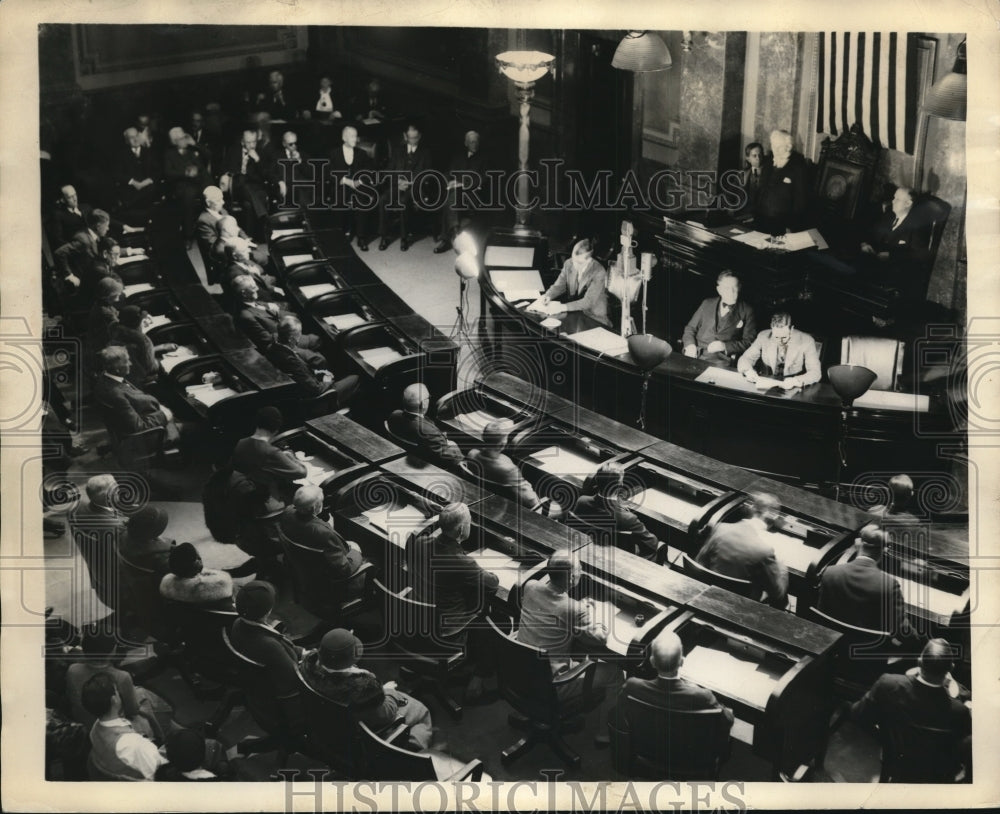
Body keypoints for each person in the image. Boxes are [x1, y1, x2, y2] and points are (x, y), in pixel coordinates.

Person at [405, 502, 498, 701]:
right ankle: (479, 679)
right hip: (446, 632)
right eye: (470, 523)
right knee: (490, 620)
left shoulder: (420, 543)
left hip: (416, 621)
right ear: (462, 529)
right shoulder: (462, 561)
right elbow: (492, 584)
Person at [851, 638, 971, 781]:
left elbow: (858, 713)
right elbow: (962, 749)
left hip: (896, 759)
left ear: (919, 662)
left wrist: (883, 733)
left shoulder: (887, 684)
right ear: (950, 668)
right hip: (935, 773)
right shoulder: (959, 711)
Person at [301, 628, 434, 749]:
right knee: (421, 710)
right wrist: (389, 691)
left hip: (332, 724)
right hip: (367, 725)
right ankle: (413, 750)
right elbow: (386, 715)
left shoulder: (309, 668)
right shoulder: (364, 691)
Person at [516, 551, 620, 700]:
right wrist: (598, 616)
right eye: (579, 569)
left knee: (578, 652)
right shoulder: (575, 609)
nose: (582, 571)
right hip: (553, 684)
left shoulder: (530, 586)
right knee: (614, 673)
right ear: (571, 577)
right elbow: (600, 639)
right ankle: (612, 721)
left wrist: (577, 608)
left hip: (523, 672)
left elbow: (553, 603)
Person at [608, 629, 734, 739]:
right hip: (688, 753)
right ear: (682, 662)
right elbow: (728, 721)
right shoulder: (703, 696)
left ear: (652, 662)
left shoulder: (632, 686)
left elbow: (621, 714)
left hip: (649, 746)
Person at [65, 627, 167, 740]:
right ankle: (161, 737)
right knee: (144, 697)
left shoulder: (72, 670)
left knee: (141, 694)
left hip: (85, 724)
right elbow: (132, 710)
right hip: (109, 728)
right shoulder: (121, 677)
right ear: (112, 651)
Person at [229, 580, 305, 730]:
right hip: (288, 700)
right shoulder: (269, 645)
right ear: (267, 611)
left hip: (260, 690)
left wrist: (302, 652)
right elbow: (294, 678)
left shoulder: (237, 623)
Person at [696, 492, 788, 609]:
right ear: (773, 516)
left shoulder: (720, 528)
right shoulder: (764, 550)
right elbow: (778, 596)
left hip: (708, 598)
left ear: (752, 509)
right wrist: (782, 566)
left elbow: (700, 562)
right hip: (740, 609)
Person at [817, 524, 911, 637]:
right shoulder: (889, 585)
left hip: (829, 642)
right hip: (866, 650)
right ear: (885, 550)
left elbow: (821, 613)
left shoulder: (830, 573)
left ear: (857, 543)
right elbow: (900, 629)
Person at [81, 672, 167, 780]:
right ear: (114, 700)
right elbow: (160, 769)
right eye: (117, 691)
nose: (119, 693)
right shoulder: (132, 743)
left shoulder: (95, 728)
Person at [279, 485, 365, 585]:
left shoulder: (287, 512)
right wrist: (355, 550)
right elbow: (345, 569)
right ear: (315, 507)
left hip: (303, 569)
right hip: (329, 583)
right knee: (373, 560)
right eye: (321, 502)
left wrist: (326, 527)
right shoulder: (324, 533)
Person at [265, 315, 360, 403]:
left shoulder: (272, 347)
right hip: (315, 399)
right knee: (356, 378)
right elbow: (316, 389)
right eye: (299, 333)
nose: (300, 336)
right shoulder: (291, 361)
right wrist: (328, 381)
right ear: (291, 339)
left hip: (303, 383)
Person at [573, 462, 659, 559]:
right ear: (620, 485)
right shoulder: (628, 518)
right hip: (616, 558)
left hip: (586, 551)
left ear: (596, 481)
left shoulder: (581, 501)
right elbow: (651, 543)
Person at [91, 346, 178, 440]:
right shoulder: (115, 394)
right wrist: (164, 415)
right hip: (150, 438)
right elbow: (138, 427)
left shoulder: (108, 378)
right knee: (192, 429)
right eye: (127, 361)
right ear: (117, 369)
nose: (130, 363)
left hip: (150, 418)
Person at [231, 406, 307, 502]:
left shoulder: (241, 442)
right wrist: (290, 456)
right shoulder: (271, 452)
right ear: (276, 430)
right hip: (266, 499)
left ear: (257, 424)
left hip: (242, 492)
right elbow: (302, 473)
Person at [467, 420, 546, 511]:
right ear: (502, 444)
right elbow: (532, 501)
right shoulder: (509, 470)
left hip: (485, 505)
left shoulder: (471, 455)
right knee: (560, 507)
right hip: (507, 511)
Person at [682, 270, 757, 362]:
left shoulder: (747, 310)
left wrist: (724, 346)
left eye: (734, 287)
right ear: (719, 290)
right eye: (726, 288)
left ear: (739, 287)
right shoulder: (707, 303)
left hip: (721, 359)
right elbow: (690, 328)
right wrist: (690, 345)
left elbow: (749, 341)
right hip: (695, 352)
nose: (731, 292)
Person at [378, 123, 431, 251]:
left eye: (416, 137)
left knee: (403, 202)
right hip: (398, 185)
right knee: (383, 200)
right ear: (405, 137)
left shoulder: (425, 152)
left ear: (420, 136)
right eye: (410, 138)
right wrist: (398, 182)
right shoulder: (398, 151)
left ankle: (404, 238)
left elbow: (428, 174)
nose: (413, 140)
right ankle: (384, 236)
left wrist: (410, 182)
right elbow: (389, 171)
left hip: (414, 188)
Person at [737, 311, 821, 389]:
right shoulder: (763, 336)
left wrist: (796, 381)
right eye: (776, 337)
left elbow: (815, 372)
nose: (780, 341)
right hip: (767, 383)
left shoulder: (807, 341)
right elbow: (745, 358)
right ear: (771, 328)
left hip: (794, 387)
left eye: (784, 337)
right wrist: (748, 371)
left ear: (791, 329)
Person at [537, 238, 610, 327]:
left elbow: (588, 301)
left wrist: (563, 307)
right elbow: (559, 285)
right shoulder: (569, 263)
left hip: (594, 317)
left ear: (589, 260)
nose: (574, 265)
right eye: (573, 259)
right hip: (575, 313)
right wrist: (548, 295)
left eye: (579, 262)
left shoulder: (599, 271)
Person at [387, 382, 464, 466]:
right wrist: (454, 447)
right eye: (428, 397)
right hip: (430, 463)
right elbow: (453, 460)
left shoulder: (394, 415)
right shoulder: (429, 432)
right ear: (424, 404)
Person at [434, 130, 486, 253]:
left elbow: (482, 179)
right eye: (472, 142)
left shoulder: (484, 159)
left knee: (451, 197)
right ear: (466, 143)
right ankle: (455, 232)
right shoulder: (458, 156)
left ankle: (448, 238)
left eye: (476, 142)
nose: (475, 145)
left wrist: (461, 184)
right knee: (453, 196)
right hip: (457, 194)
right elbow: (450, 172)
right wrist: (448, 181)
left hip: (473, 195)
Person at [753, 129, 810, 235]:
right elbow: (760, 191)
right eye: (773, 146)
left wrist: (792, 227)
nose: (774, 150)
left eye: (778, 147)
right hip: (761, 220)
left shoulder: (798, 167)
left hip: (783, 225)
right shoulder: (768, 163)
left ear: (788, 147)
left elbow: (800, 201)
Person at [327, 125, 374, 250]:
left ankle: (361, 237)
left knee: (363, 199)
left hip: (358, 185)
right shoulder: (334, 153)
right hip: (342, 185)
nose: (356, 139)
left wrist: (360, 181)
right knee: (339, 200)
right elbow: (330, 173)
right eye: (352, 136)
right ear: (344, 138)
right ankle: (341, 235)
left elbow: (369, 170)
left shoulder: (362, 153)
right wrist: (346, 181)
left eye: (356, 136)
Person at [162, 127, 212, 242]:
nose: (185, 140)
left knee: (210, 192)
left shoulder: (191, 151)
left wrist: (195, 143)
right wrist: (185, 173)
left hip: (196, 183)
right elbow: (168, 173)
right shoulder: (169, 154)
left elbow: (208, 156)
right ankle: (188, 236)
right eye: (182, 139)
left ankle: (209, 231)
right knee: (188, 197)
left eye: (185, 137)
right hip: (180, 186)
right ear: (175, 141)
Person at [110, 305, 175, 389]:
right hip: (141, 381)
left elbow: (135, 354)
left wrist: (161, 347)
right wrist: (158, 360)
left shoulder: (116, 332)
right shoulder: (143, 342)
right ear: (137, 323)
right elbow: (150, 368)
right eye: (142, 320)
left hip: (123, 373)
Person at [222, 128, 270, 241]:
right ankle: (264, 215)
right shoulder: (233, 151)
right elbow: (225, 168)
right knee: (242, 181)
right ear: (242, 142)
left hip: (254, 189)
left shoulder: (261, 153)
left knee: (248, 205)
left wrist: (257, 160)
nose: (252, 145)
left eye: (254, 141)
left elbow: (266, 175)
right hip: (237, 187)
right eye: (249, 142)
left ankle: (249, 238)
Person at [158, 542, 235, 610]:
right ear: (197, 562)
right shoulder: (219, 589)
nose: (200, 559)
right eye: (198, 558)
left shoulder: (169, 588)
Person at [54, 208, 112, 297]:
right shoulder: (83, 240)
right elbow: (60, 252)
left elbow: (105, 252)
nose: (108, 228)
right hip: (83, 284)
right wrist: (69, 275)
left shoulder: (96, 236)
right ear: (98, 226)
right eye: (106, 225)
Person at [115, 126, 160, 219]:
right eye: (131, 137)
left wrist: (146, 182)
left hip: (147, 187)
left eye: (136, 136)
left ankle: (128, 206)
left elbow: (158, 171)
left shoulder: (149, 152)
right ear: (127, 141)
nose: (135, 139)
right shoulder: (121, 154)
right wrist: (133, 182)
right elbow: (117, 174)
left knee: (151, 189)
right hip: (130, 187)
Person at [84, 277, 123, 371]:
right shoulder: (106, 313)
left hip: (96, 341)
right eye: (116, 296)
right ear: (107, 296)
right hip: (104, 347)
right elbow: (120, 331)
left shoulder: (100, 304)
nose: (117, 299)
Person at [738, 141, 765, 213]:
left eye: (760, 155)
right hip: (744, 214)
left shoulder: (770, 173)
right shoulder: (741, 175)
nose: (758, 158)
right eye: (754, 156)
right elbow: (729, 194)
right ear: (748, 158)